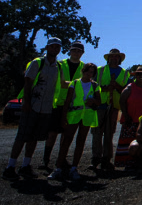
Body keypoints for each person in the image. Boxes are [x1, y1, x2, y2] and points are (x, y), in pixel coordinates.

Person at [3, 38, 63, 181]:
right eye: (52, 46)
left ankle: (26, 165)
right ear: (47, 47)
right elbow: (28, 82)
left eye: (57, 47)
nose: (55, 49)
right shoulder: (37, 62)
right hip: (32, 105)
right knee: (22, 136)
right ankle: (10, 167)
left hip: (46, 107)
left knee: (34, 137)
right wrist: (26, 102)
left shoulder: (58, 67)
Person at [48, 63, 101, 181]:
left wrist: (93, 100)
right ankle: (58, 168)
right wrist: (63, 118)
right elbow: (67, 101)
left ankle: (74, 168)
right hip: (74, 114)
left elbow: (99, 101)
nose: (89, 74)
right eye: (87, 71)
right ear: (83, 71)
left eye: (92, 72)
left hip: (87, 115)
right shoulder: (75, 83)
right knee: (66, 140)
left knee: (81, 141)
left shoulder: (95, 85)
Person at [40, 40, 85, 171]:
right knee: (52, 132)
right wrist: (75, 84)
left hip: (73, 104)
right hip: (58, 102)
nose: (76, 53)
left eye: (79, 51)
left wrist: (68, 83)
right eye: (74, 50)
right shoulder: (60, 64)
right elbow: (60, 83)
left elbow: (68, 83)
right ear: (70, 51)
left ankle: (62, 159)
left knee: (66, 134)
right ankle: (46, 160)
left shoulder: (84, 67)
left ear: (82, 53)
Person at [91, 48, 129, 171]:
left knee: (109, 133)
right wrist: (105, 88)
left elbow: (125, 90)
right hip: (100, 104)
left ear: (119, 59)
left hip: (114, 106)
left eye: (116, 56)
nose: (114, 58)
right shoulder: (99, 70)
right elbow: (93, 86)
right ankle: (95, 158)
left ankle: (106, 159)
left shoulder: (125, 73)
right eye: (112, 56)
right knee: (97, 133)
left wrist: (116, 86)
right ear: (108, 58)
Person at [115, 66, 142, 169]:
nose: (141, 76)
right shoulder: (130, 87)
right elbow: (122, 101)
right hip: (131, 120)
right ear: (135, 76)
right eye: (139, 74)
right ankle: (127, 163)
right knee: (128, 142)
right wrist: (126, 115)